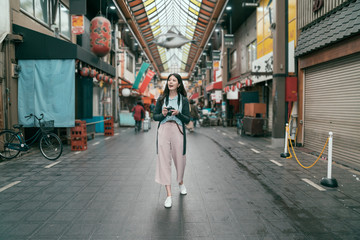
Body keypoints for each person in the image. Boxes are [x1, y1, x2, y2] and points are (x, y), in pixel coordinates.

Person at [153, 73, 190, 208]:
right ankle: (168, 195)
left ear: (179, 84)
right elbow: (155, 117)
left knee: (180, 160)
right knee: (164, 161)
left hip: (178, 130)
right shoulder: (162, 98)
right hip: (163, 130)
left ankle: (180, 182)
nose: (171, 82)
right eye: (169, 80)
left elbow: (187, 119)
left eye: (174, 80)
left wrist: (178, 114)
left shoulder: (183, 100)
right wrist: (162, 114)